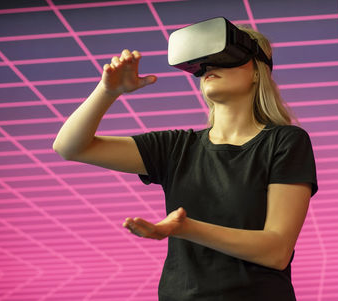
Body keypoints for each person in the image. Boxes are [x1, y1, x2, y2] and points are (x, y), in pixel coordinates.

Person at [53, 25, 317, 301]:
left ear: (256, 72)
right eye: (203, 64)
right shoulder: (176, 148)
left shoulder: (285, 142)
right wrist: (107, 91)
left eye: (225, 57)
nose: (209, 67)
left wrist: (187, 228)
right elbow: (70, 147)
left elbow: (276, 252)